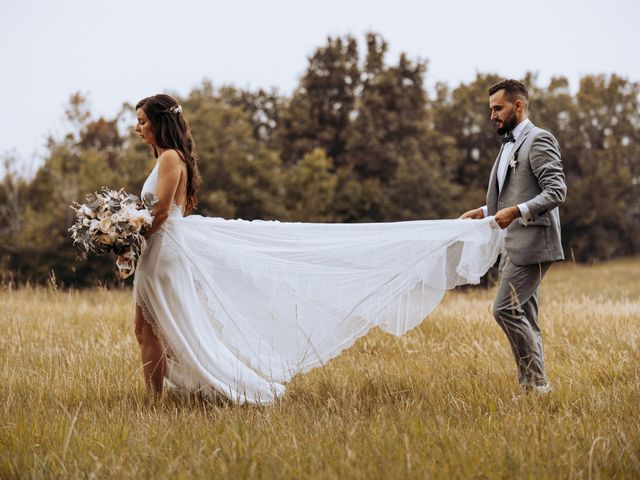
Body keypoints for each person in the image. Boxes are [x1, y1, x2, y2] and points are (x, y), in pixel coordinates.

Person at [132, 94, 505, 404]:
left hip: (161, 250)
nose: (138, 128)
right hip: (159, 249)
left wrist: (132, 235)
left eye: (143, 122)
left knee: (153, 327)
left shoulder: (169, 158)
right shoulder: (169, 157)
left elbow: (163, 211)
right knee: (153, 327)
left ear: (160, 123)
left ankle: (160, 398)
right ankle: (164, 392)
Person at [460, 79, 566, 393]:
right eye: (490, 108)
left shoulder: (539, 139)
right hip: (512, 244)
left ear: (517, 106)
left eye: (498, 108)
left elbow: (556, 191)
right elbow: (514, 194)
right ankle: (534, 388)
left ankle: (538, 385)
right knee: (526, 317)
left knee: (504, 309)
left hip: (534, 244)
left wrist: (517, 212)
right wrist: (484, 211)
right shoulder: (508, 144)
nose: (492, 114)